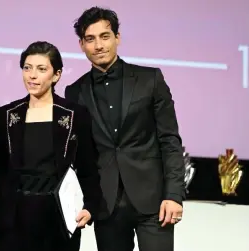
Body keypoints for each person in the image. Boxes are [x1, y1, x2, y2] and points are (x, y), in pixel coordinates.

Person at [65, 7, 186, 251]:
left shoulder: (150, 79)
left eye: (105, 36)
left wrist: (173, 195)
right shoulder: (74, 92)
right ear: (81, 44)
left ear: (117, 38)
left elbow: (170, 140)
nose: (99, 45)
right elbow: (82, 155)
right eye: (91, 39)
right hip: (106, 204)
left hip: (154, 202)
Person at [0, 41, 102, 251]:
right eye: (27, 68)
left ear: (56, 75)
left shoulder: (74, 114)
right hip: (14, 217)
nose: (32, 75)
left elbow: (88, 166)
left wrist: (90, 206)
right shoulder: (7, 114)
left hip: (58, 216)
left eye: (41, 69)